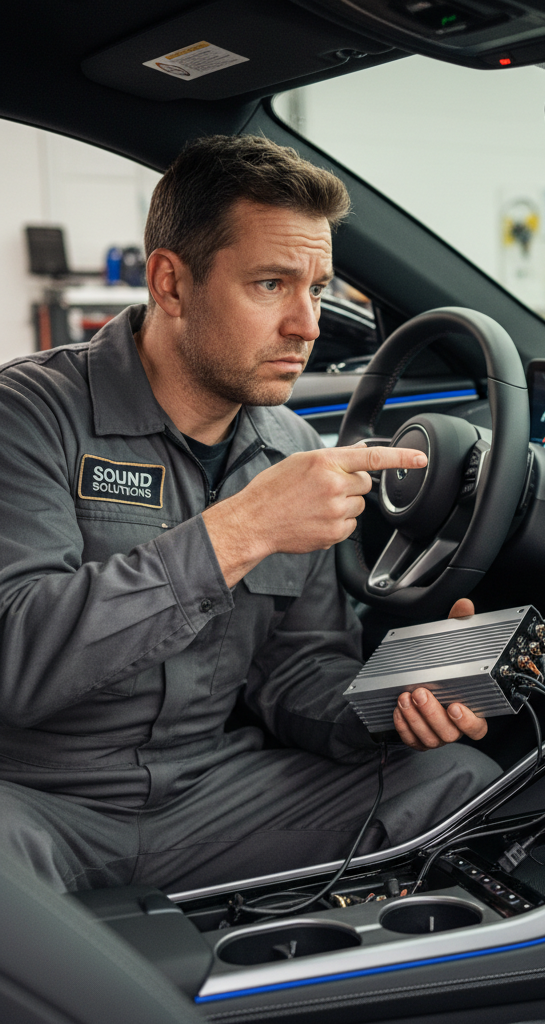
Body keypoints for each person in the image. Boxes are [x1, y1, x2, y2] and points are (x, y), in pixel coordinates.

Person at [0, 135, 501, 894]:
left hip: (208, 797)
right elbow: (17, 658)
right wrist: (243, 529)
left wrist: (393, 702)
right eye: (271, 284)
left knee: (459, 779)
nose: (307, 324)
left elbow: (296, 669)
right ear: (171, 283)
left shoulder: (292, 446)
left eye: (318, 287)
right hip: (34, 800)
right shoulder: (30, 416)